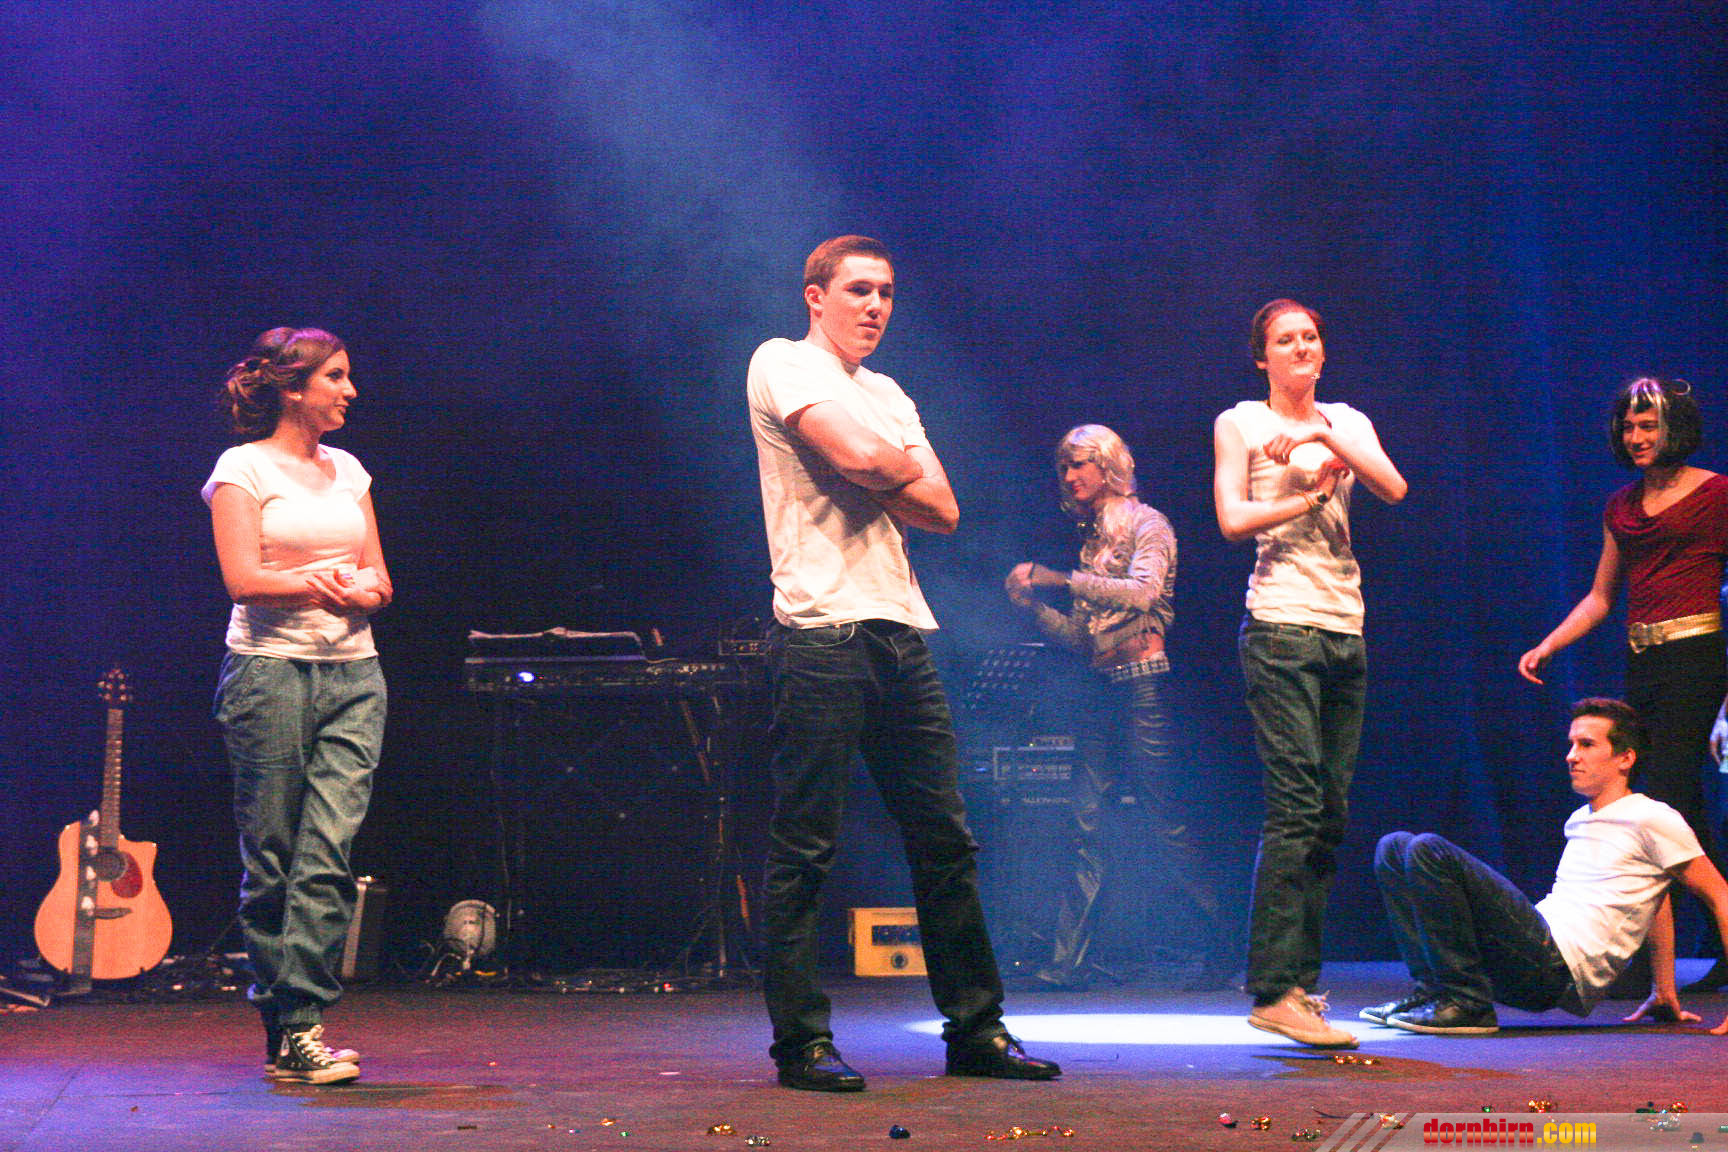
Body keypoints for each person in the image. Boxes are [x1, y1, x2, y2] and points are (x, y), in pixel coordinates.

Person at [747, 235, 1059, 1092]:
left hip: (900, 630)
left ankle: (976, 1031)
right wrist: (889, 464)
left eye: (886, 292)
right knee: (807, 845)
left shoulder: (887, 393)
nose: (876, 306)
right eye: (858, 290)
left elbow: (945, 509)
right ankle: (802, 1044)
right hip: (820, 634)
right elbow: (861, 459)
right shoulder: (782, 361)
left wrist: (877, 460)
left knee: (944, 839)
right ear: (815, 297)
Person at [1212, 298, 1408, 1048]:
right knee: (1295, 806)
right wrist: (1305, 496)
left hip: (1344, 627)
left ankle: (1299, 984)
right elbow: (1232, 519)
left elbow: (1393, 487)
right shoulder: (1241, 423)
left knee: (1329, 813)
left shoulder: (1346, 422)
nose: (1301, 348)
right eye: (1285, 340)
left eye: (1311, 337)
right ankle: (1273, 989)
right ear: (1261, 357)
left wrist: (1324, 438)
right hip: (1280, 626)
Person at [204, 327, 390, 1085]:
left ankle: (305, 1023)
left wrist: (363, 593)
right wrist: (321, 584)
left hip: (355, 675)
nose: (350, 391)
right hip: (269, 674)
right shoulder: (241, 468)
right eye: (335, 377)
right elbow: (242, 579)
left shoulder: (349, 470)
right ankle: (281, 1026)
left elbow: (380, 578)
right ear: (293, 389)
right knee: (274, 857)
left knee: (328, 854)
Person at [1518, 378, 1728, 990]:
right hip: (1645, 661)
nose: (1637, 437)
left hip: (1700, 656)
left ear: (1674, 428)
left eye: (1649, 426)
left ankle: (1643, 966)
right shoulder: (1622, 507)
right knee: (1677, 810)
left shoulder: (1716, 494)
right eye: (1629, 427)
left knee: (1660, 801)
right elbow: (1600, 597)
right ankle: (1691, 959)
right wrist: (1548, 644)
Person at [1005, 424, 1224, 988]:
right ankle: (1065, 963)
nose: (1070, 476)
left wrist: (1061, 580)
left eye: (1079, 464)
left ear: (1107, 467)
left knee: (1165, 817)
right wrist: (1034, 607)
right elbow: (1082, 638)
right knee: (1086, 822)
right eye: (1064, 467)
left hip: (1144, 686)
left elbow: (1144, 592)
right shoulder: (1093, 546)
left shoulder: (1150, 524)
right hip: (1103, 689)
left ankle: (1224, 945)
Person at [1366, 698, 1728, 1035]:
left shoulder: (1653, 817)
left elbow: (1720, 895)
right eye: (1571, 745)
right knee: (1394, 847)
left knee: (1429, 850)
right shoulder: (1579, 819)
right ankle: (1434, 993)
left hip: (1557, 967)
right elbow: (1656, 899)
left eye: (1587, 745)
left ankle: (1468, 1004)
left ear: (1625, 758)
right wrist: (1663, 990)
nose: (1572, 756)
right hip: (1529, 957)